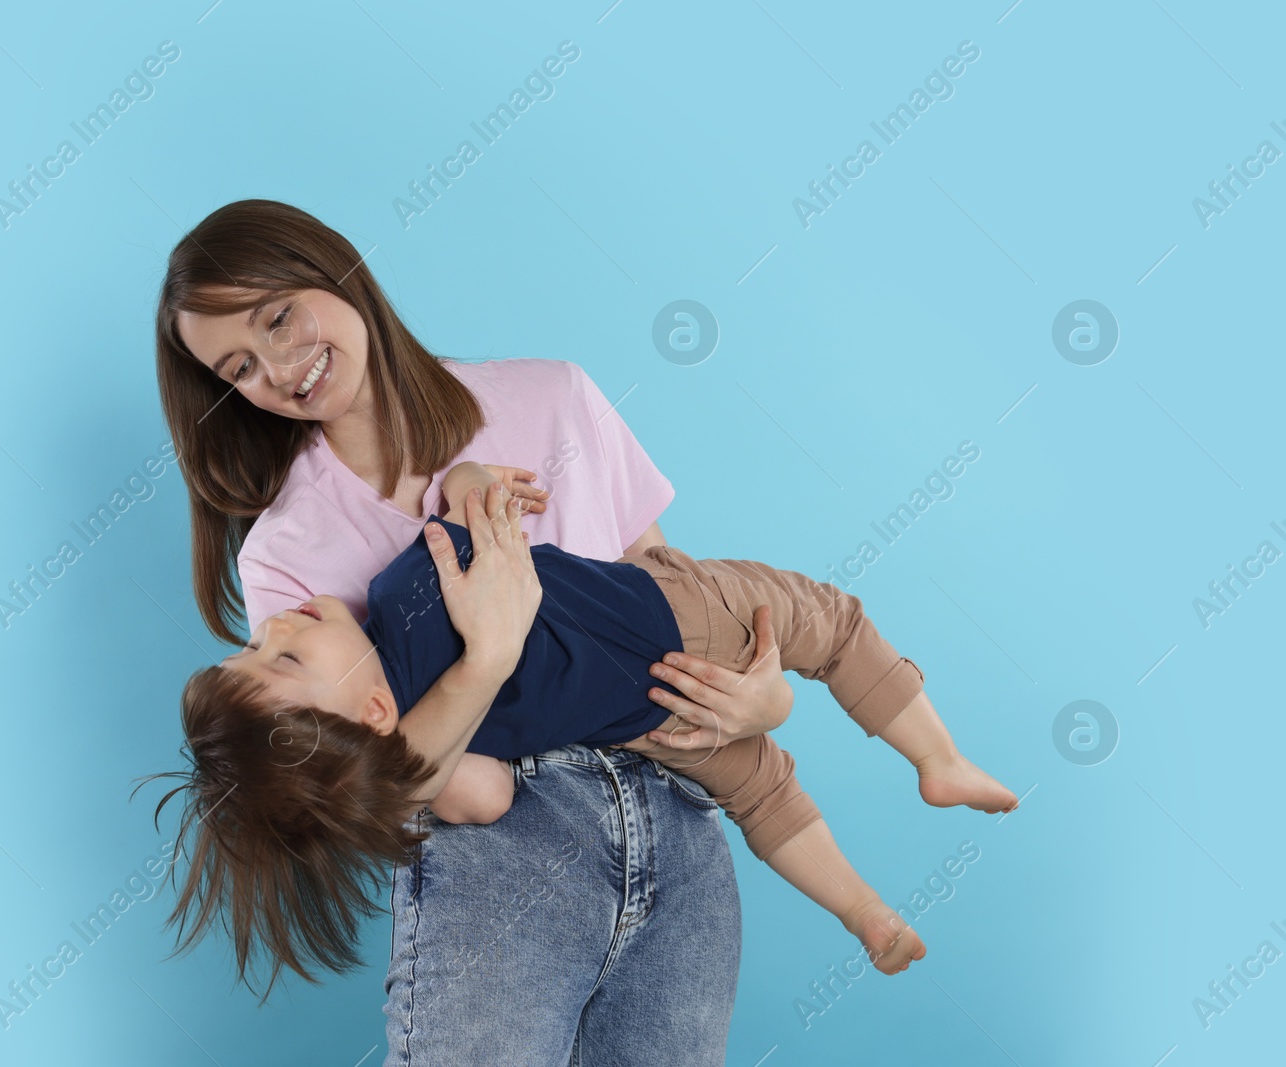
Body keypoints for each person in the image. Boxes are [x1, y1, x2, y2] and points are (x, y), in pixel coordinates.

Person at [155, 199, 805, 1065]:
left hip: (676, 817)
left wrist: (760, 698)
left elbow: (673, 596)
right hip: (495, 848)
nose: (279, 364)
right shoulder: (286, 552)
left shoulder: (555, 395)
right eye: (239, 364)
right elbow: (375, 780)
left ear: (335, 268)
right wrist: (489, 657)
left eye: (279, 316)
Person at [153, 461, 1017, 1000]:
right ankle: (936, 757)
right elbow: (464, 506)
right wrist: (472, 484)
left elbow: (484, 795)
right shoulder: (399, 592)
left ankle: (867, 913)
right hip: (678, 612)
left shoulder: (441, 751)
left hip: (648, 725)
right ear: (370, 714)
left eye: (256, 642)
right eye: (282, 661)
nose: (280, 626)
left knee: (764, 790)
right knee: (833, 620)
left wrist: (382, 772)